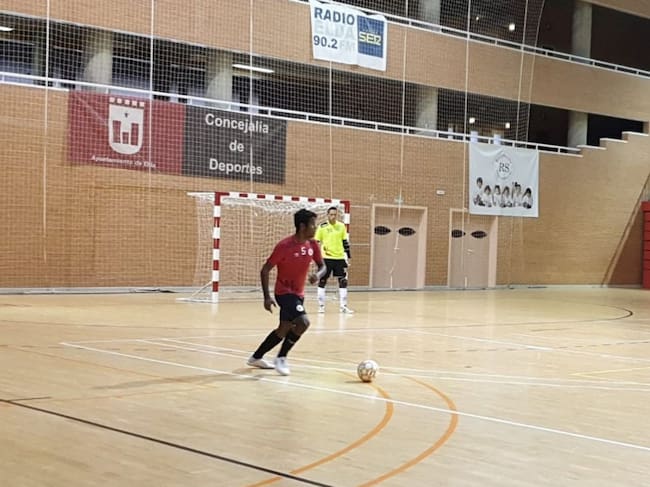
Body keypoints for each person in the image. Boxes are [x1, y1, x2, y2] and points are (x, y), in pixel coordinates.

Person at [246, 208, 326, 376]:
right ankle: (281, 357)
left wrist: (317, 275)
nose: (315, 228)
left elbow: (322, 266)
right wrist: (267, 297)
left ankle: (256, 357)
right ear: (302, 226)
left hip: (299, 294)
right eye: (313, 225)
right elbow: (265, 270)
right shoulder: (284, 246)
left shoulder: (313, 245)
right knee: (303, 323)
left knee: (283, 329)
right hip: (284, 292)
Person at [314, 206, 353, 314]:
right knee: (323, 281)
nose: (333, 216)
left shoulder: (341, 226)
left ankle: (343, 306)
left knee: (343, 281)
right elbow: (316, 243)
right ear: (327, 215)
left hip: (339, 258)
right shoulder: (322, 227)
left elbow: (345, 242)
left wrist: (348, 256)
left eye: (335, 215)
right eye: (331, 214)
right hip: (326, 258)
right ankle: (321, 306)